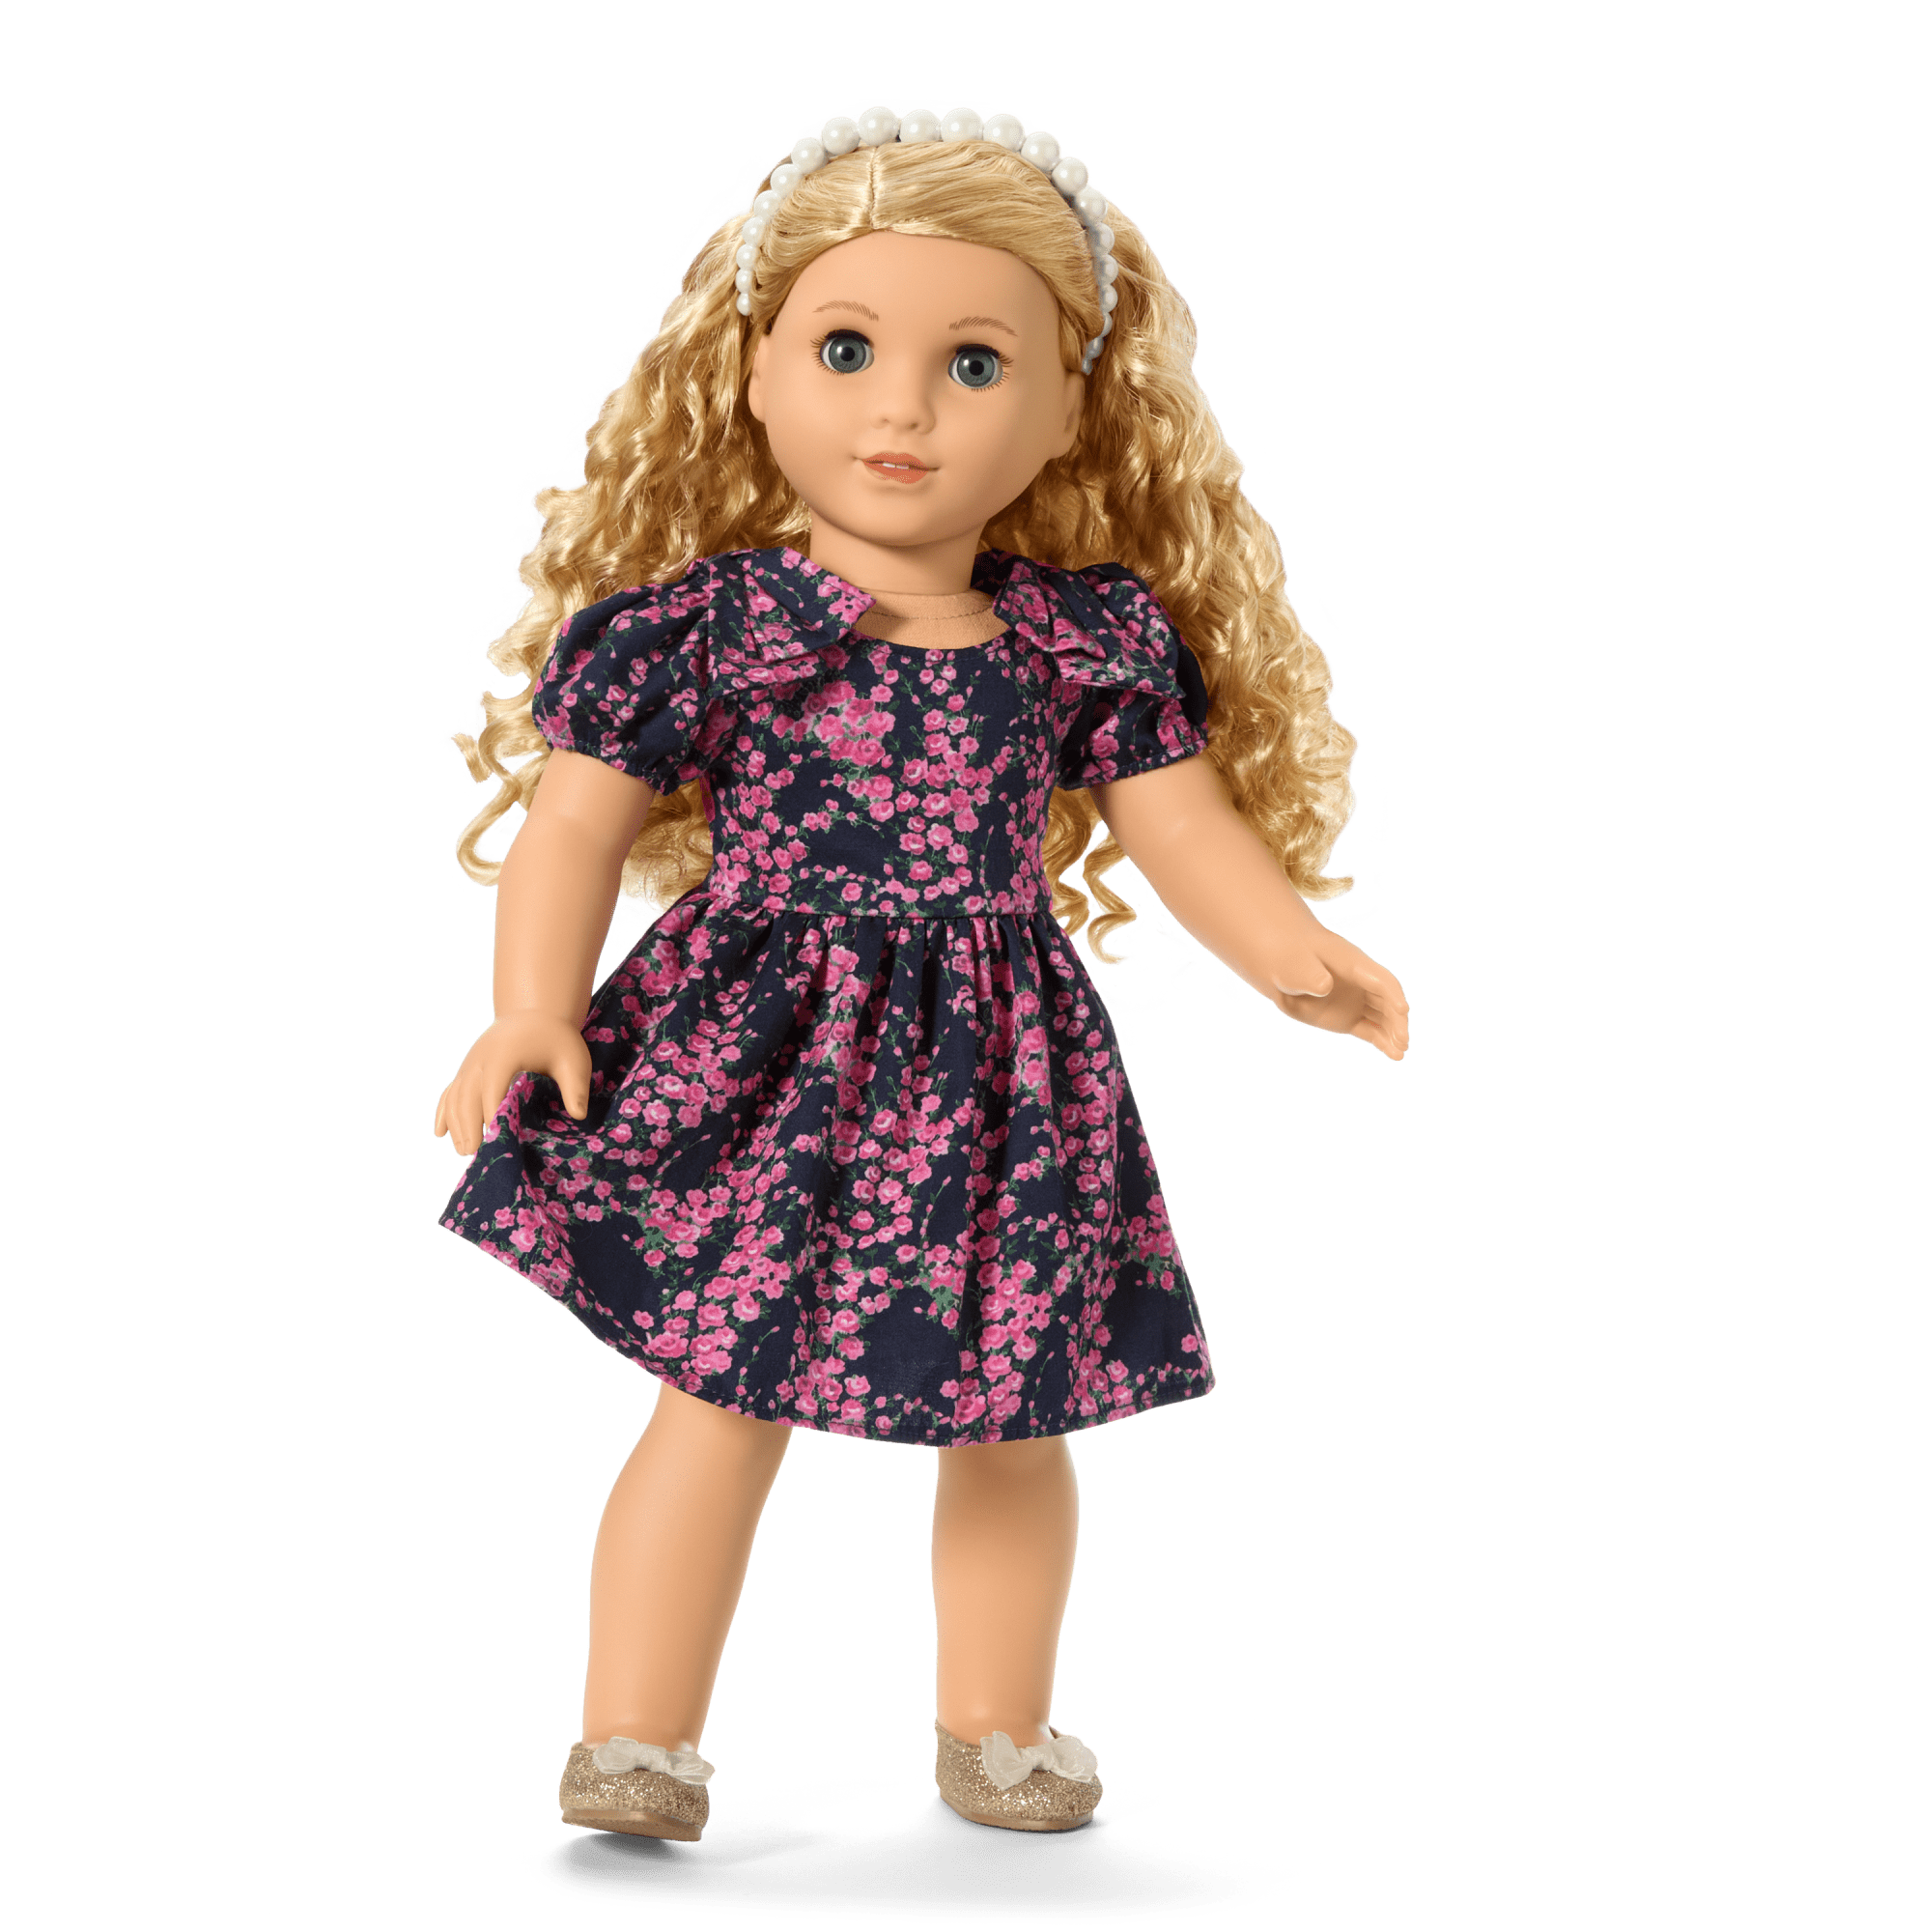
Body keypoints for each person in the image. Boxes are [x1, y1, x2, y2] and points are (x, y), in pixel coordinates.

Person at [433, 101, 1409, 1845]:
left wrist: (1289, 950)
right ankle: (634, 1738)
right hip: (763, 1051)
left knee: (1015, 1414)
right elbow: (574, 825)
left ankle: (998, 1735)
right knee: (717, 1399)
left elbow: (1177, 822)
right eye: (846, 349)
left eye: (974, 363)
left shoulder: (1078, 638)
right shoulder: (709, 626)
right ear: (750, 372)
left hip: (995, 1075)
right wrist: (531, 1006)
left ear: (1066, 409)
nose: (903, 412)